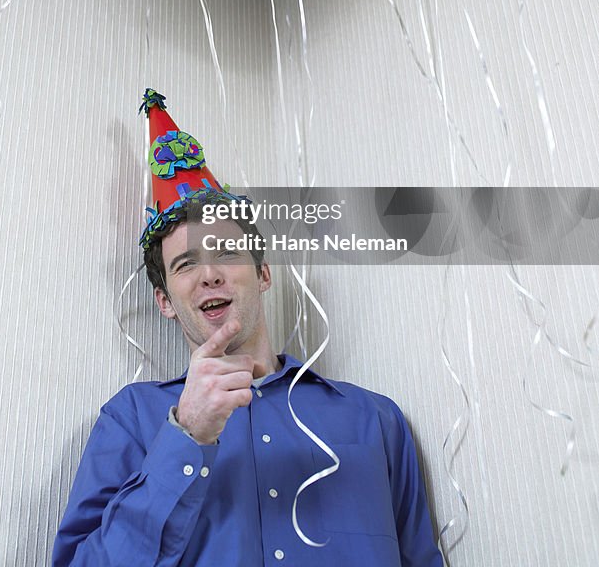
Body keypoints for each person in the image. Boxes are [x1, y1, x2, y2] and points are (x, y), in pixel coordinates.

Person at [51, 90, 444, 567]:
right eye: (186, 264)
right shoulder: (130, 419)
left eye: (226, 253)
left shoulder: (376, 421)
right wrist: (186, 435)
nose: (210, 274)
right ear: (165, 301)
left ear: (263, 273)